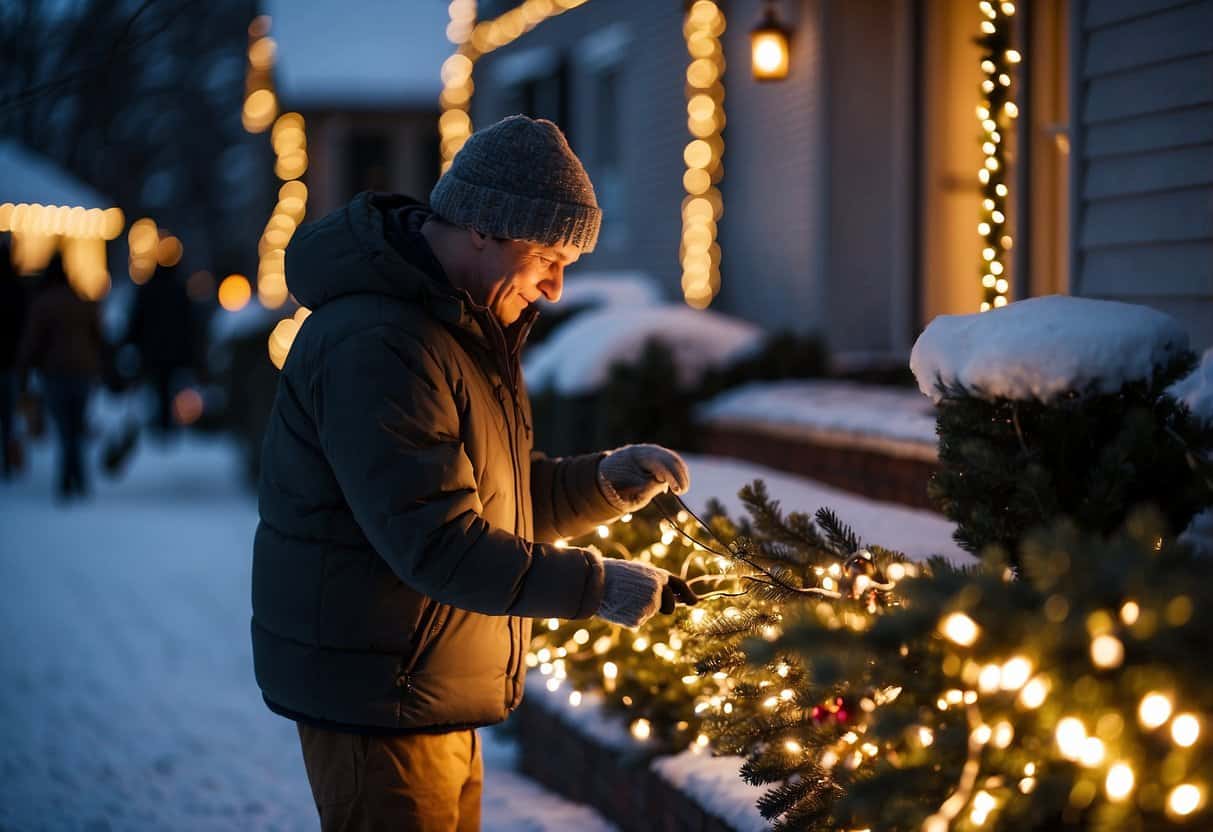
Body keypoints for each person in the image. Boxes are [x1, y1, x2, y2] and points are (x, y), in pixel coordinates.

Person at [252, 115, 697, 831]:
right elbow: (437, 541)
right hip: (379, 699)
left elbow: (497, 500)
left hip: (425, 683)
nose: (555, 287)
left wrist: (604, 483)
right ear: (485, 230)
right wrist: (597, 585)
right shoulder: (380, 343)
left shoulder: (457, 330)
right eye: (550, 255)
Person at [15, 254, 104, 499]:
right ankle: (79, 479)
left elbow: (32, 342)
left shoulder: (43, 304)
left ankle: (67, 480)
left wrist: (24, 371)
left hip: (55, 372)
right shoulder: (80, 299)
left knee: (65, 427)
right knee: (76, 425)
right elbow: (98, 335)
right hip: (83, 371)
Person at [124, 261, 196, 435]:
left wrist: (130, 342)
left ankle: (162, 421)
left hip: (152, 351)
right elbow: (189, 323)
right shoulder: (179, 290)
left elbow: (136, 320)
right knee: (168, 387)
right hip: (173, 350)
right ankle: (168, 422)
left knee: (158, 387)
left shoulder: (147, 290)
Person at [0, 237, 30, 478]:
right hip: (11, 362)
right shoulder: (18, 289)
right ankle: (8, 459)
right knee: (8, 417)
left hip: (11, 361)